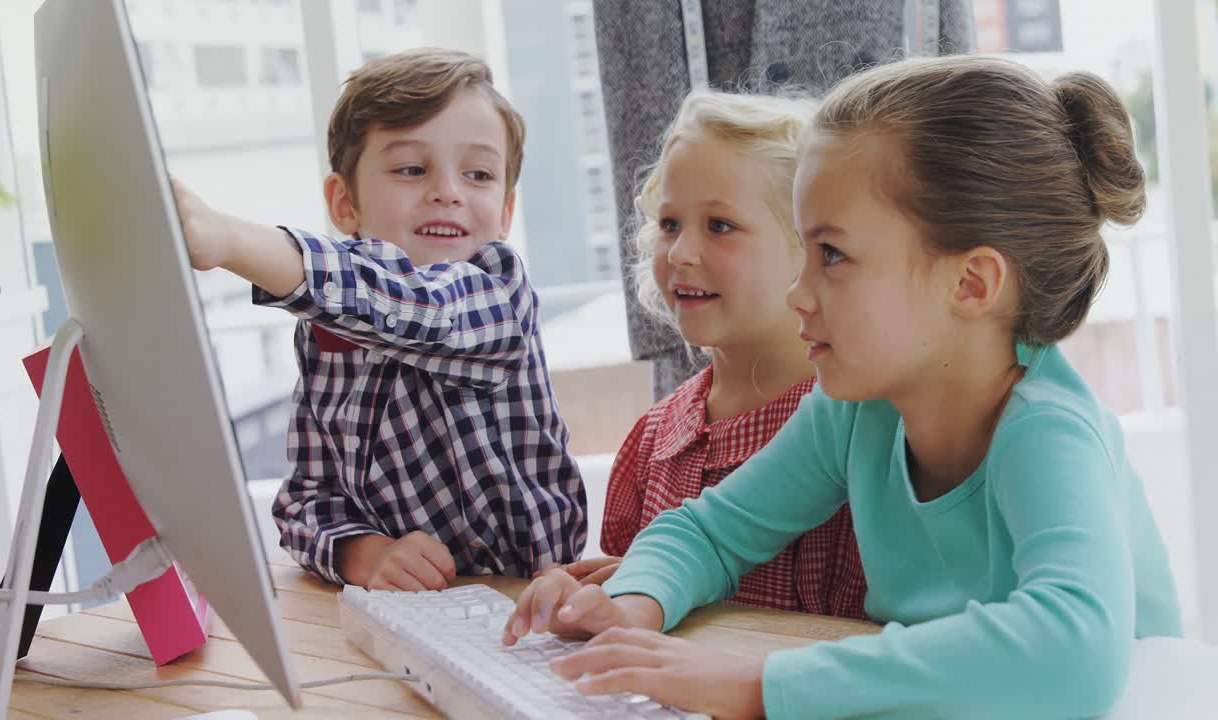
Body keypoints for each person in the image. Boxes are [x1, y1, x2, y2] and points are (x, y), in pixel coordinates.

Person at [504, 56, 1183, 720]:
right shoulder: (855, 412)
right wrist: (628, 611)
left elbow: (1074, 654)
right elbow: (710, 532)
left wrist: (758, 685)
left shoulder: (1049, 430)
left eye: (832, 255)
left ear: (971, 284)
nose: (798, 294)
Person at [174, 48, 586, 590]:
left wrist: (230, 241)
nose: (448, 191)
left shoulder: (500, 292)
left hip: (527, 595)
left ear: (506, 211)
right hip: (406, 611)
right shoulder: (324, 329)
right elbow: (304, 503)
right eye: (412, 169)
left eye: (479, 173)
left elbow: (412, 309)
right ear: (344, 205)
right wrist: (366, 555)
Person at [560, 90, 865, 619]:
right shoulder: (653, 441)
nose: (680, 252)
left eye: (719, 226)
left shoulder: (864, 434)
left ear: (811, 248)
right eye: (669, 224)